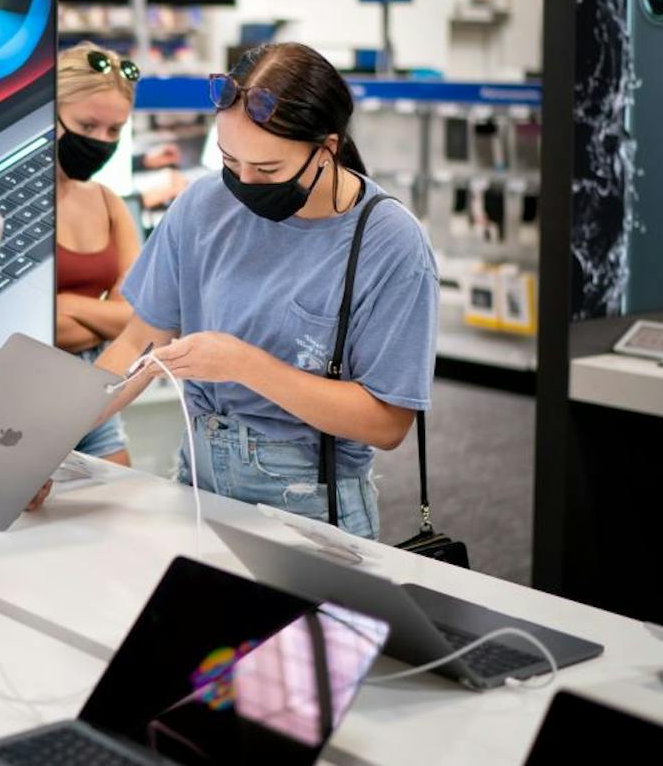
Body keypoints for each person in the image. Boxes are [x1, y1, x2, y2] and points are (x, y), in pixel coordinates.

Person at [96, 42, 439, 538]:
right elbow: (137, 344)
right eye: (229, 161)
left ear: (328, 149)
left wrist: (242, 365)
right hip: (197, 487)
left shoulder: (391, 245)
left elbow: (387, 423)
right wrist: (48, 444)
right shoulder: (202, 206)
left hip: (313, 510)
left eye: (268, 170)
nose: (243, 183)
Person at [52, 41, 142, 468]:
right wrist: (105, 319)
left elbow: (141, 318)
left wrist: (66, 305)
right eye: (86, 126)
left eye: (113, 132)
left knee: (117, 515)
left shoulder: (108, 202)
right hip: (22, 384)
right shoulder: (11, 201)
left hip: (97, 379)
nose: (100, 142)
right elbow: (23, 325)